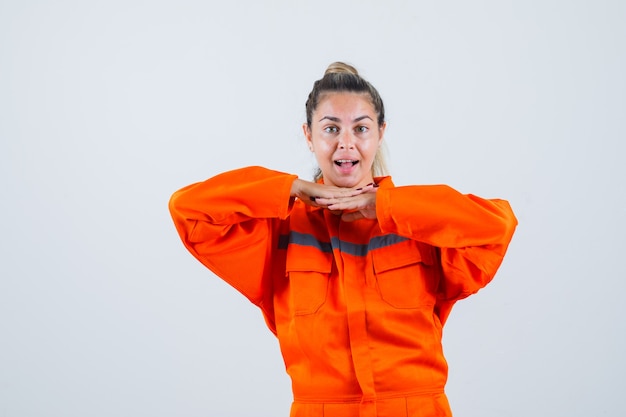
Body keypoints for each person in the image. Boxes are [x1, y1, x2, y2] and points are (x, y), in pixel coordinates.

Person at [168, 62, 517, 417]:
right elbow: (188, 209)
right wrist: (287, 187)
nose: (345, 143)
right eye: (330, 128)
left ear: (381, 133)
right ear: (308, 136)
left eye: (361, 128)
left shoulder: (418, 223)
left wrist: (386, 205)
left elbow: (497, 225)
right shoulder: (280, 231)